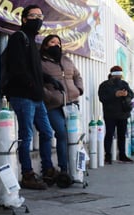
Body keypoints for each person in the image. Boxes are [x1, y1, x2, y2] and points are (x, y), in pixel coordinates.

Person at [4, 4, 57, 190]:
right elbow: (17, 68)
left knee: (47, 131)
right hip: (23, 95)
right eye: (33, 16)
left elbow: (35, 70)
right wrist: (32, 85)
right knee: (26, 135)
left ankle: (48, 169)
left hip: (35, 96)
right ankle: (27, 174)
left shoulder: (32, 42)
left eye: (40, 16)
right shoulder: (19, 38)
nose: (38, 19)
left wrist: (48, 79)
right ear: (24, 19)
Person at [40, 34, 84, 176]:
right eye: (52, 42)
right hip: (54, 105)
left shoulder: (66, 59)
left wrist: (78, 90)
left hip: (72, 104)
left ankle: (76, 169)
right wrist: (50, 96)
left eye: (58, 42)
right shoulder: (41, 62)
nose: (56, 45)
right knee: (61, 134)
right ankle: (63, 169)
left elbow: (77, 76)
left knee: (74, 136)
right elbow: (39, 82)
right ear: (46, 45)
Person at [98, 65, 133, 164]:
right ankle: (108, 156)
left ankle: (122, 155)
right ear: (112, 74)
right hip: (110, 114)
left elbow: (131, 94)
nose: (118, 77)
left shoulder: (124, 84)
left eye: (120, 75)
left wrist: (126, 95)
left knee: (122, 135)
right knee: (109, 134)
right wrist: (115, 95)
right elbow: (102, 98)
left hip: (123, 114)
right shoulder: (104, 85)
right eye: (117, 74)